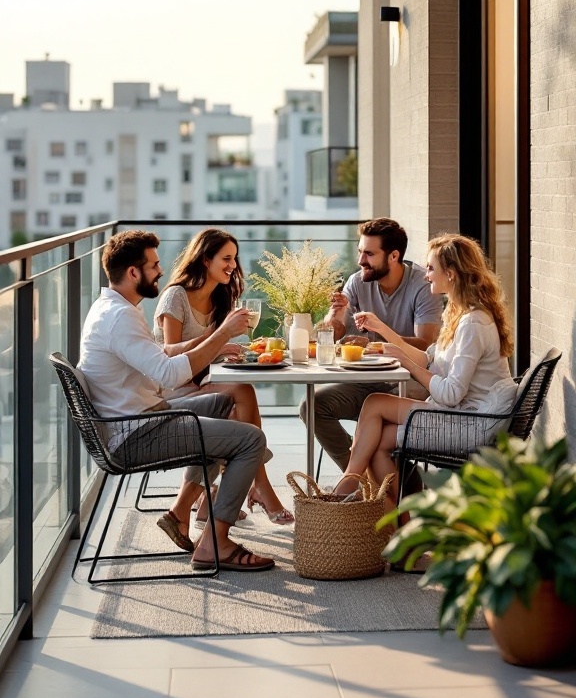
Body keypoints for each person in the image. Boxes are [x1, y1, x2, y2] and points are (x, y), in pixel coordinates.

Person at [78, 229, 275, 572]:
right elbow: (169, 375)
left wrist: (215, 339)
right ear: (133, 272)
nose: (160, 271)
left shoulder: (113, 308)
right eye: (154, 265)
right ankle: (215, 544)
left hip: (144, 416)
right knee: (250, 439)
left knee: (227, 405)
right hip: (136, 433)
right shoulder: (120, 317)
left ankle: (183, 512)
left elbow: (160, 353)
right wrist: (222, 334)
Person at [334, 233, 519, 509]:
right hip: (460, 414)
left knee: (374, 408)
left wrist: (406, 363)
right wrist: (383, 335)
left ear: (452, 274)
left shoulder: (473, 324)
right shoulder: (460, 313)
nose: (426, 275)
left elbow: (451, 393)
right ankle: (392, 522)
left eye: (431, 268)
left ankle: (354, 488)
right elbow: (429, 360)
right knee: (375, 437)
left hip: (470, 423)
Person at [153, 227, 293, 525]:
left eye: (235, 258)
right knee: (236, 402)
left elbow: (209, 350)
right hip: (171, 391)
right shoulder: (175, 296)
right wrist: (217, 336)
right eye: (226, 258)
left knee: (241, 394)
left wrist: (225, 348)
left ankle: (207, 501)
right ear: (206, 259)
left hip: (199, 383)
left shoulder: (220, 297)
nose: (233, 265)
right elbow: (169, 352)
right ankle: (260, 487)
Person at [300, 217, 443, 471]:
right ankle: (362, 478)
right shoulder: (358, 281)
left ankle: (379, 484)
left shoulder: (423, 284)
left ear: (393, 256)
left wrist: (372, 341)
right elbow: (332, 336)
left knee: (379, 422)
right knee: (312, 406)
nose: (360, 261)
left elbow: (425, 345)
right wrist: (335, 315)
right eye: (359, 252)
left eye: (368, 253)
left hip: (408, 383)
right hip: (364, 381)